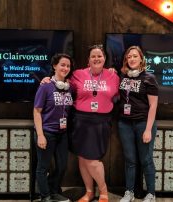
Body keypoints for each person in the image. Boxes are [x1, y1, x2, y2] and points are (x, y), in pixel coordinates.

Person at [41, 44, 119, 202]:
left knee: (93, 160)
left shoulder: (113, 76)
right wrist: (48, 79)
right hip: (80, 121)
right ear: (88, 60)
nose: (96, 58)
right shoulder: (78, 74)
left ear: (105, 59)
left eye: (99, 56)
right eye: (93, 56)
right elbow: (60, 82)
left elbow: (118, 95)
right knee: (82, 159)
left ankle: (103, 190)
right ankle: (89, 192)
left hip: (101, 122)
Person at [118, 46, 158, 202]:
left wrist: (148, 129)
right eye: (129, 57)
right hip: (125, 124)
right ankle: (129, 192)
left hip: (143, 123)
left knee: (146, 159)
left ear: (141, 59)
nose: (132, 59)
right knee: (129, 159)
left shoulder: (149, 78)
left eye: (135, 56)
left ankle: (151, 194)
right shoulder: (122, 76)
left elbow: (153, 106)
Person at [33, 53, 74, 202]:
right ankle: (45, 196)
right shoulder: (45, 86)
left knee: (62, 166)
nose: (65, 68)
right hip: (47, 132)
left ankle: (53, 190)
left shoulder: (69, 88)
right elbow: (37, 111)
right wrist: (40, 135)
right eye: (62, 65)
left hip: (62, 134)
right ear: (54, 66)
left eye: (68, 66)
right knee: (43, 167)